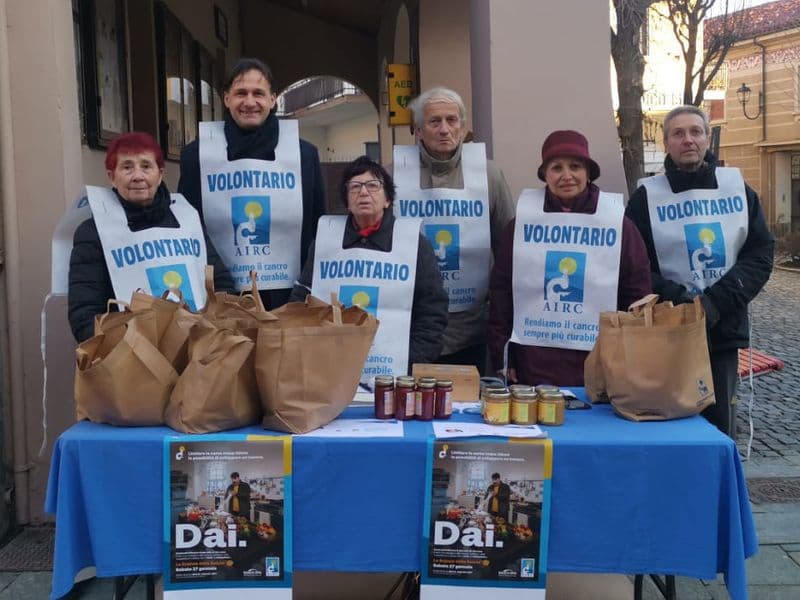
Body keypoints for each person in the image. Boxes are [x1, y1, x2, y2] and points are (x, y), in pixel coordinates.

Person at [626, 105, 774, 437]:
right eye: (678, 133)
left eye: (696, 131)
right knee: (669, 430)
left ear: (708, 138)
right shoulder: (645, 198)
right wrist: (680, 300)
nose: (688, 140)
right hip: (666, 332)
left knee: (720, 431)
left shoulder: (737, 190)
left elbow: (761, 253)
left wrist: (716, 303)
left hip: (722, 332)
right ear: (666, 143)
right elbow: (635, 267)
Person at [488, 130, 652, 386]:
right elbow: (501, 292)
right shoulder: (520, 226)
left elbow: (636, 292)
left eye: (575, 166)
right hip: (533, 362)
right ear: (545, 175)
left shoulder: (617, 224)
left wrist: (628, 353)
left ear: (587, 172)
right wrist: (502, 354)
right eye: (556, 168)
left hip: (599, 362)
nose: (566, 176)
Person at [178, 57, 325, 309]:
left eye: (258, 93)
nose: (249, 102)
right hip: (222, 296)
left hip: (289, 297)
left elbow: (317, 226)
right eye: (240, 93)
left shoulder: (304, 155)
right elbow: (187, 226)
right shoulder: (196, 156)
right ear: (226, 99)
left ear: (272, 99)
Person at [68, 132, 234, 343]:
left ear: (160, 173)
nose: (138, 176)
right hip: (133, 357)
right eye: (127, 167)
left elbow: (221, 281)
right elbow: (85, 312)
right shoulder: (94, 232)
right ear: (111, 176)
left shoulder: (187, 219)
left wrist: (218, 327)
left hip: (198, 348)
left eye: (146, 166)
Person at [393, 87, 515, 373]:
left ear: (463, 128)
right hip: (414, 328)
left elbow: (508, 248)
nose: (444, 129)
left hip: (472, 328)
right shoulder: (393, 176)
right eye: (435, 122)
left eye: (452, 120)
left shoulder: (489, 175)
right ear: (418, 131)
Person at [290, 156, 448, 377]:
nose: (363, 192)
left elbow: (432, 310)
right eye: (355, 187)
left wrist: (410, 359)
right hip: (329, 369)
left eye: (373, 185)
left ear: (388, 199)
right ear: (346, 201)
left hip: (396, 372)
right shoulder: (325, 240)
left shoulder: (413, 243)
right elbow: (301, 300)